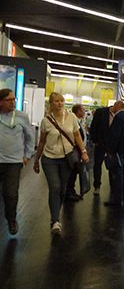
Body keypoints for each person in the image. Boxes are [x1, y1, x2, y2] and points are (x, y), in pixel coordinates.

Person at [34, 92, 89, 235]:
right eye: (56, 101)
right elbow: (42, 141)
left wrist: (83, 152)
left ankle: (55, 214)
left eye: (61, 101)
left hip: (67, 158)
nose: (60, 103)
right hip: (49, 158)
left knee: (63, 189)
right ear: (51, 104)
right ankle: (55, 220)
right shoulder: (46, 121)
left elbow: (77, 135)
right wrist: (36, 160)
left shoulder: (71, 117)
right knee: (55, 187)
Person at [0, 88, 34, 235]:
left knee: (11, 194)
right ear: (1, 102)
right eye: (9, 100)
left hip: (13, 162)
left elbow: (30, 137)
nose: (13, 102)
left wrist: (27, 156)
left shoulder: (21, 116)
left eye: (14, 99)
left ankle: (11, 219)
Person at [104, 101, 124, 207]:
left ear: (117, 106)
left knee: (117, 174)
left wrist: (110, 150)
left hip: (117, 150)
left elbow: (115, 135)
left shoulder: (118, 117)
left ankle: (117, 198)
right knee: (123, 171)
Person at [89, 103, 117, 195]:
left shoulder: (118, 115)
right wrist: (95, 141)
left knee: (112, 165)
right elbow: (94, 126)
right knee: (97, 165)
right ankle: (97, 186)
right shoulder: (101, 112)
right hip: (100, 143)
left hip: (112, 145)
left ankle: (113, 186)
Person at [65, 103, 87, 202]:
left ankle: (71, 190)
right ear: (78, 111)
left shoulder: (78, 121)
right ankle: (68, 192)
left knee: (74, 171)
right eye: (83, 110)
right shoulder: (73, 121)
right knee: (71, 171)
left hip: (77, 151)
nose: (85, 112)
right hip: (73, 151)